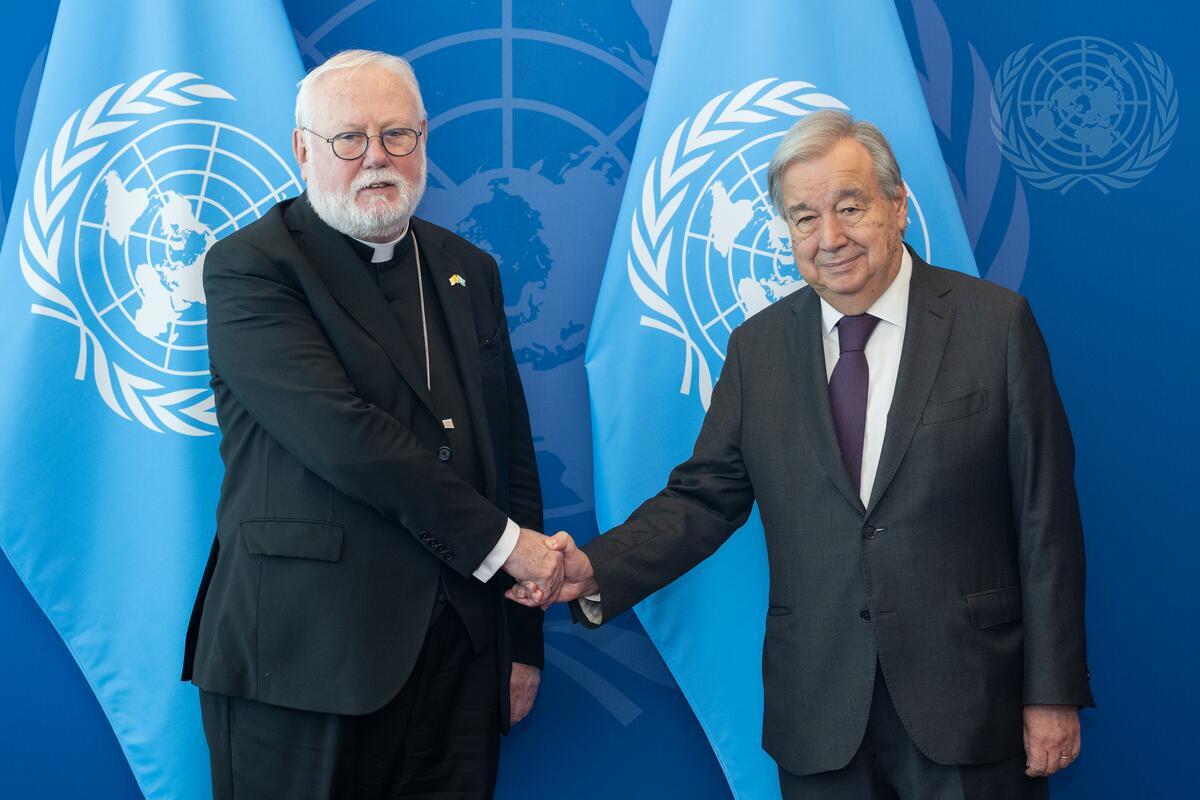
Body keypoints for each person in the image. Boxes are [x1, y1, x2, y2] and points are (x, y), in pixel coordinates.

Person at [513, 110, 1093, 799]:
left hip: (969, 702)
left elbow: (1045, 522)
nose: (831, 238)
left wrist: (1051, 691)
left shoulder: (994, 325)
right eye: (805, 218)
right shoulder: (757, 350)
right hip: (820, 713)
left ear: (897, 206)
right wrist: (594, 568)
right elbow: (703, 500)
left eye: (850, 207)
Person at [181, 49, 564, 799]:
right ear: (303, 150)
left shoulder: (468, 269)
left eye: (396, 135)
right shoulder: (251, 267)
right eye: (349, 138)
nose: (376, 157)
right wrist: (508, 548)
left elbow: (509, 451)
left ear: (423, 139)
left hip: (460, 657)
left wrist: (522, 641)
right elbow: (344, 439)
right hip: (303, 661)